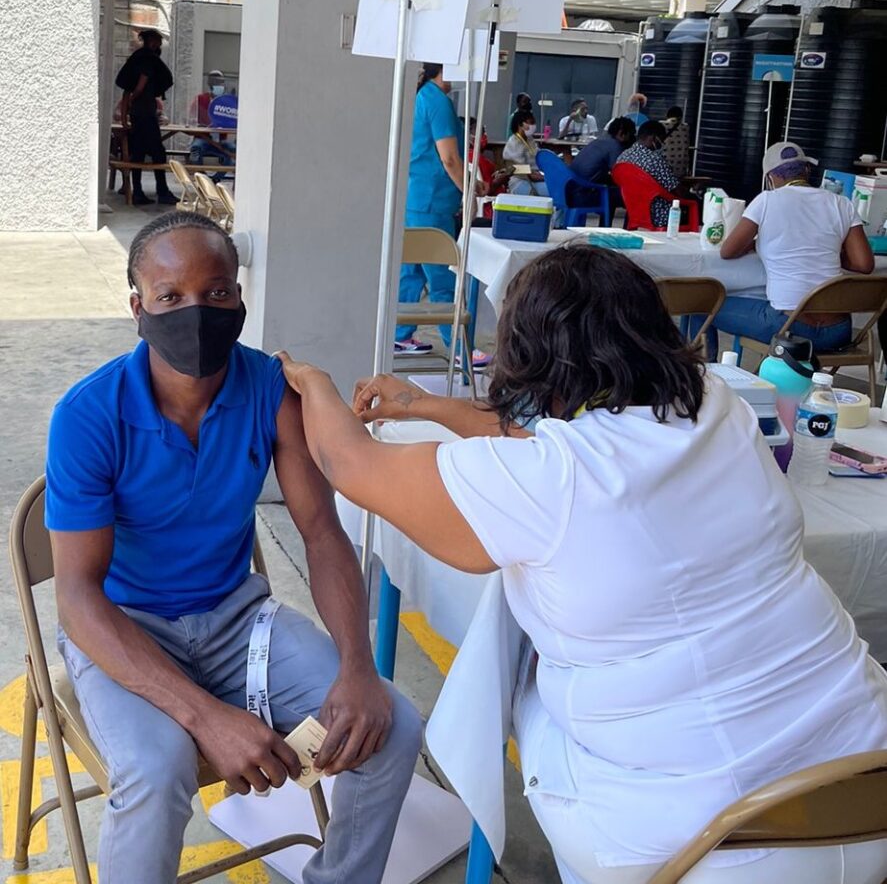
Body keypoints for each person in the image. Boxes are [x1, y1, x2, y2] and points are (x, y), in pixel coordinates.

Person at [275, 244, 887, 884]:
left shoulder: (550, 481)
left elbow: (350, 464)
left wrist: (314, 384)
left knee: (498, 675)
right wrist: (420, 405)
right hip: (860, 784)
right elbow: (545, 435)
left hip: (714, 844)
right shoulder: (714, 405)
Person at [45, 211, 422, 884]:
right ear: (138, 307)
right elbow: (77, 593)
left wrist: (357, 667)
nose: (197, 312)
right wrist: (205, 716)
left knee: (391, 727)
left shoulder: (268, 390)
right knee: (156, 772)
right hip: (125, 629)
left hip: (236, 622)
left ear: (240, 297)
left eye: (217, 292)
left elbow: (321, 532)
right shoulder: (88, 414)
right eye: (170, 297)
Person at [693, 142, 875, 360]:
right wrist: (829, 251)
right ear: (807, 170)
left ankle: (702, 381)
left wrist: (757, 243)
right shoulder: (841, 203)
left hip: (790, 328)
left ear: (770, 178)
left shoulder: (766, 200)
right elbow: (864, 264)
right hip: (839, 332)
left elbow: (728, 251)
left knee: (700, 305)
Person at [397, 63, 487, 361]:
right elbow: (449, 158)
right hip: (433, 201)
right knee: (442, 275)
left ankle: (400, 337)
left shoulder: (422, 96)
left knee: (411, 272)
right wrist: (469, 190)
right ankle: (460, 349)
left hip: (415, 197)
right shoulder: (438, 101)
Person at [116, 29, 178, 206]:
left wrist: (125, 117)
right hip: (145, 113)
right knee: (158, 153)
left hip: (137, 114)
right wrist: (137, 97)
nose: (159, 44)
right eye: (158, 41)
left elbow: (126, 89)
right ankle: (162, 191)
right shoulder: (148, 59)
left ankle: (137, 192)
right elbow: (141, 83)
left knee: (138, 153)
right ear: (151, 41)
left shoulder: (136, 58)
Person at [614, 120, 693, 227]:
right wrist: (695, 196)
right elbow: (677, 190)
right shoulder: (655, 160)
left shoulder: (623, 157)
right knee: (695, 206)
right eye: (662, 140)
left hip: (633, 211)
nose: (663, 144)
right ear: (654, 138)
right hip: (660, 214)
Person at [571, 117, 636, 183]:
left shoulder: (600, 140)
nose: (631, 139)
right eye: (630, 135)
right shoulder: (615, 147)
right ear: (621, 133)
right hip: (585, 186)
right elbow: (618, 172)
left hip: (573, 179)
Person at [503, 109, 550, 197]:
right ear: (520, 125)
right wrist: (548, 178)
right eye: (530, 123)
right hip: (521, 181)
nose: (533, 126)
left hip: (535, 179)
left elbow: (538, 156)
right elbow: (522, 171)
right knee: (552, 192)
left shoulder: (529, 140)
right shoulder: (514, 143)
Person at [660, 105, 691, 178]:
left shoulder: (661, 125)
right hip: (681, 171)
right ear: (681, 117)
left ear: (667, 115)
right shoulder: (686, 127)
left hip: (664, 170)